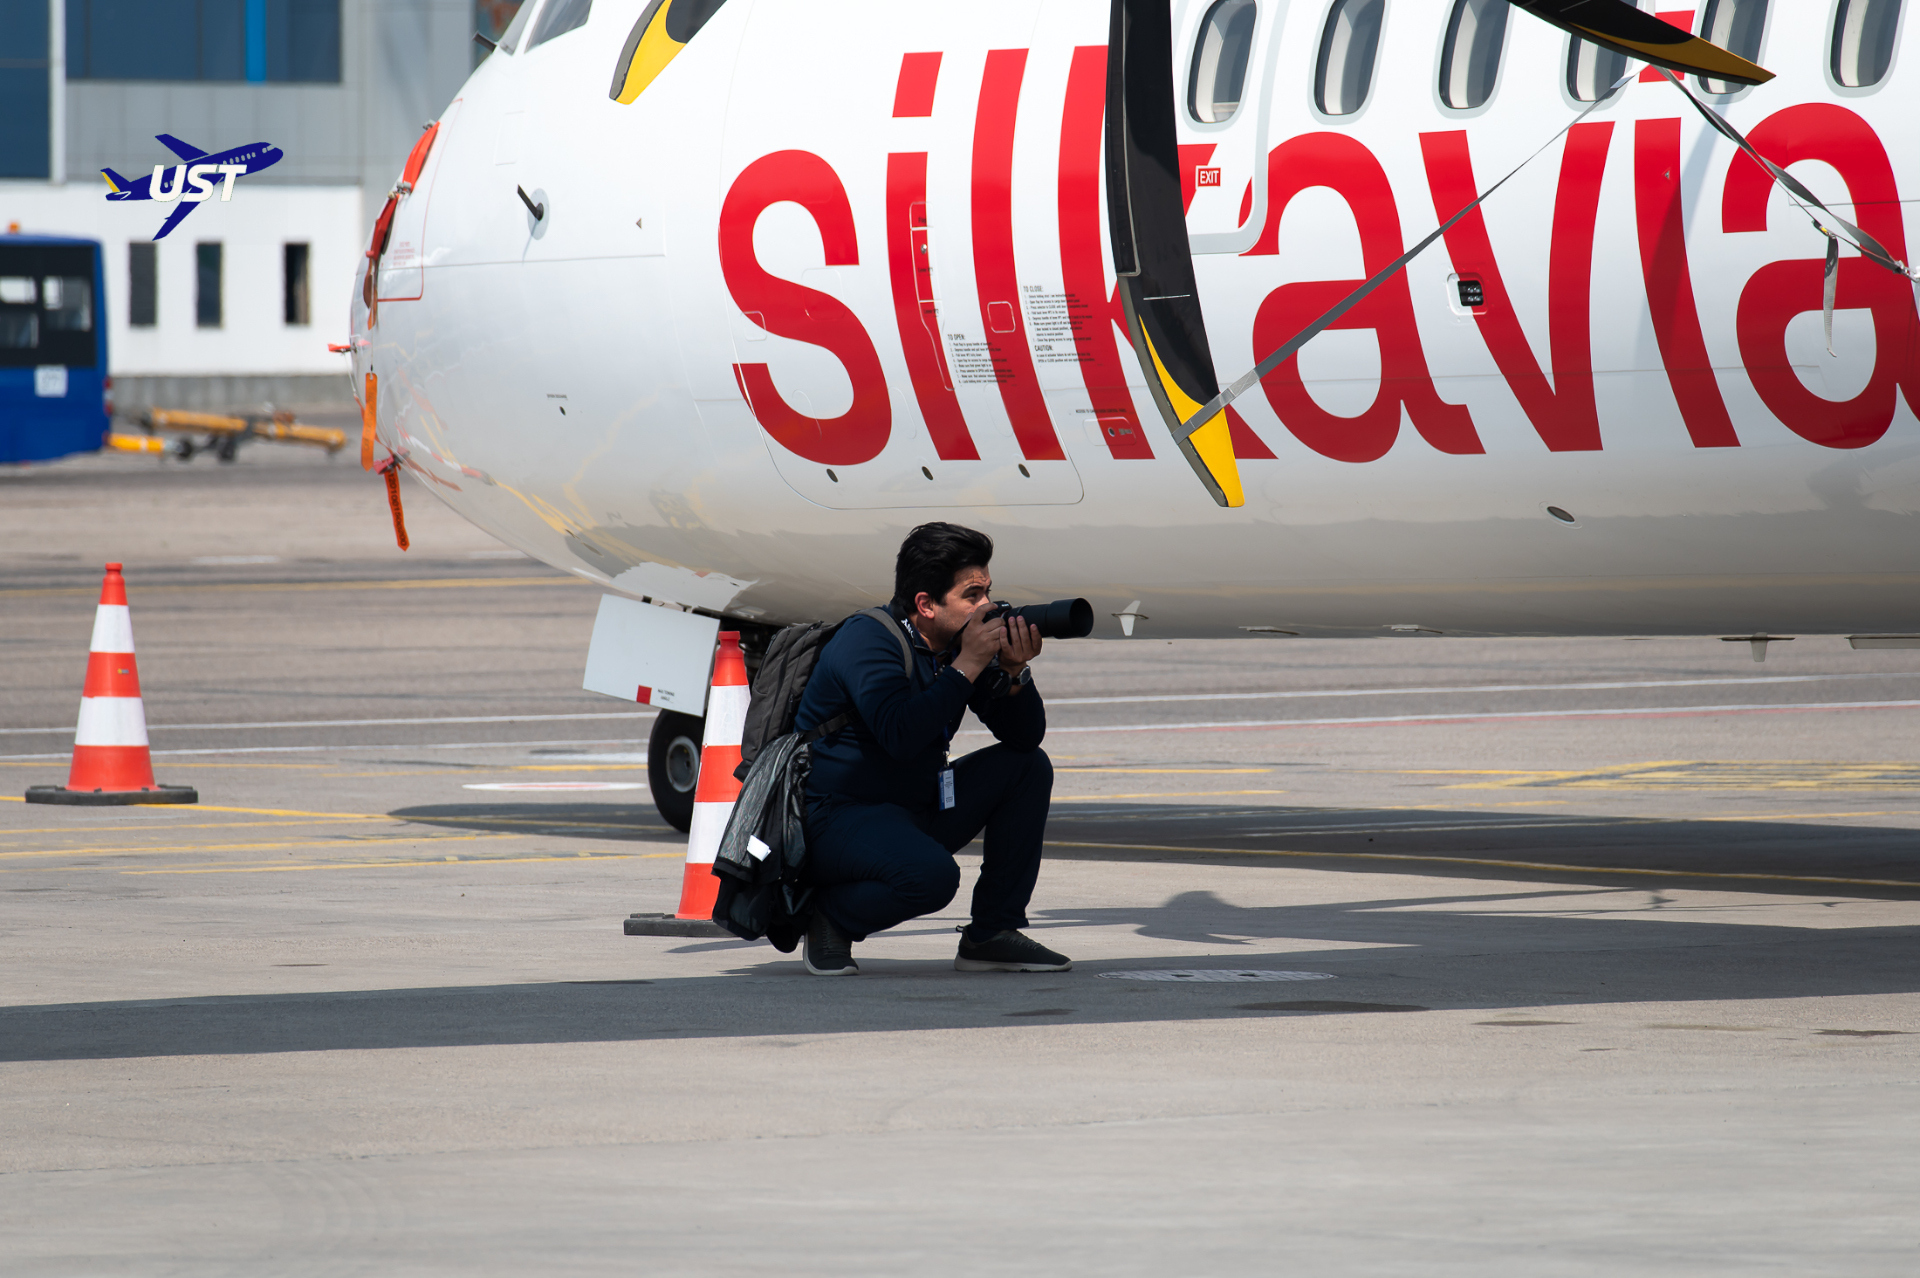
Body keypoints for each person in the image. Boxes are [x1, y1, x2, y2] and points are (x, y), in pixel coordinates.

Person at [792, 522, 1067, 977]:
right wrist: (968, 667)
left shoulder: (955, 647)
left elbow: (1024, 738)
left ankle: (991, 934)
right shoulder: (869, 639)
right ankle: (830, 914)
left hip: (914, 805)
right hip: (836, 816)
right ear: (926, 604)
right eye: (973, 595)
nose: (989, 607)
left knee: (1026, 767)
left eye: (988, 593)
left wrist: (1015, 672)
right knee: (932, 878)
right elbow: (899, 735)